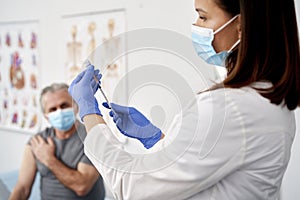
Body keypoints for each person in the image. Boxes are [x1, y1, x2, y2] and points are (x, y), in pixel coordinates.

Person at [68, 0, 300, 199]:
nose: (196, 26)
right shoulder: (270, 101)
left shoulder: (229, 108)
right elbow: (207, 171)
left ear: (241, 27)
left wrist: (90, 114)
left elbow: (134, 188)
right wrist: (157, 139)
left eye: (203, 16)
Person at [9, 83, 105, 200]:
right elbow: (23, 189)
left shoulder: (92, 137)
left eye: (64, 106)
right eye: (53, 109)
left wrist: (49, 159)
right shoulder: (37, 142)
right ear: (46, 116)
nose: (59, 112)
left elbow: (82, 186)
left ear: (75, 107)